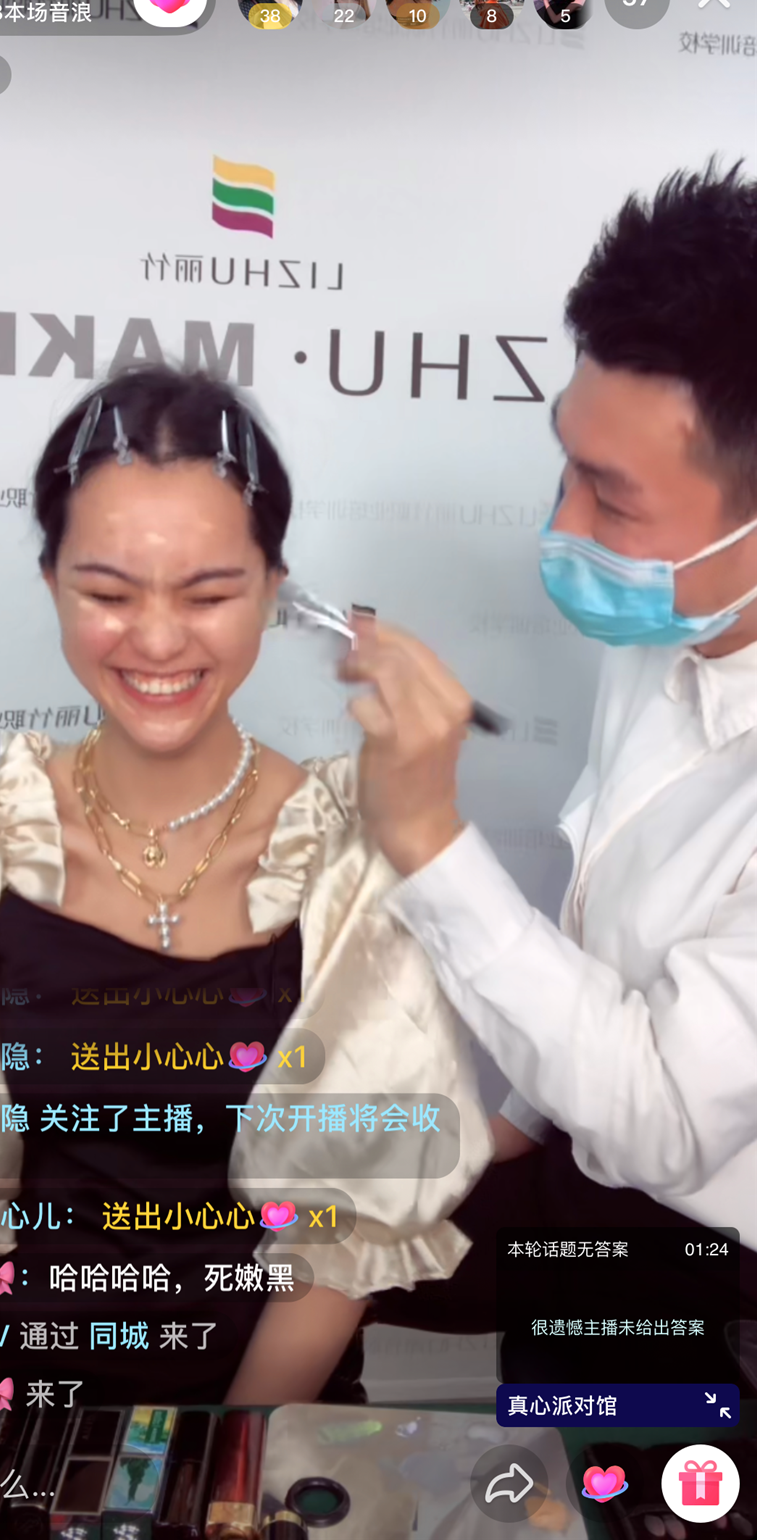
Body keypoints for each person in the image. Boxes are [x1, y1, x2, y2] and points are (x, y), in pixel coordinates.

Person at [0, 364, 493, 1408]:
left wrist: (219, 1471)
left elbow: (342, 1246)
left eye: (208, 595)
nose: (156, 640)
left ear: (274, 591)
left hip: (273, 1430)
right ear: (51, 584)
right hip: (18, 1422)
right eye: (108, 594)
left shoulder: (348, 855)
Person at [340, 159, 757, 1380]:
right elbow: (608, 936)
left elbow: (668, 1124)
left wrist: (427, 838)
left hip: (711, 1253)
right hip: (589, 1152)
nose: (562, 528)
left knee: (620, 1456)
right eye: (565, 467)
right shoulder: (675, 627)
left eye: (613, 503)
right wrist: (519, 1121)